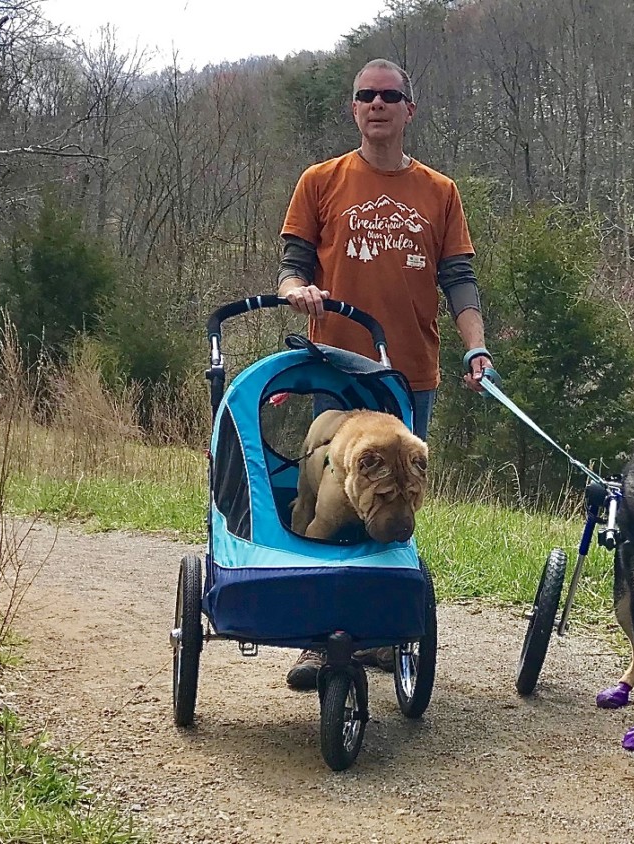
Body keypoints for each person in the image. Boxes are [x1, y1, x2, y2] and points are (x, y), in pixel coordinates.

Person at [277, 58, 493, 691]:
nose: (376, 104)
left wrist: (475, 348)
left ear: (409, 109)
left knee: (390, 504)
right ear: (353, 108)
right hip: (332, 372)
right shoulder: (320, 182)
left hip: (408, 375)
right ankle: (323, 641)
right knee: (327, 503)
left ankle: (377, 637)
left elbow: (458, 278)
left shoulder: (440, 192)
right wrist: (296, 291)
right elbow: (292, 264)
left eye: (389, 96)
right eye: (365, 96)